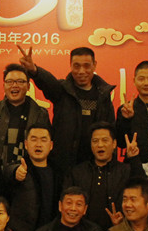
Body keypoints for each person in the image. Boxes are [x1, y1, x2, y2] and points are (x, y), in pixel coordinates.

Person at [17, 44, 116, 174]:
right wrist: (34, 70)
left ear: (94, 65)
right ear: (70, 66)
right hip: (63, 166)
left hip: (95, 165)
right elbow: (48, 82)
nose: (81, 71)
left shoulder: (104, 95)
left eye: (86, 66)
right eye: (76, 66)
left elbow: (111, 130)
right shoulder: (62, 90)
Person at [64, 122, 140, 230]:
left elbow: (143, 190)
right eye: (95, 141)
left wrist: (134, 158)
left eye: (105, 140)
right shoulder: (77, 172)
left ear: (114, 144)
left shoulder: (125, 171)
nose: (100, 145)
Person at [0, 64, 49, 166]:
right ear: (4, 86)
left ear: (28, 86)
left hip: (28, 171)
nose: (14, 85)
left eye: (20, 81)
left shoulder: (40, 114)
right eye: (9, 81)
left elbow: (46, 146)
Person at [7, 123, 60, 231]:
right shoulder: (20, 168)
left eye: (43, 140)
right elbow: (9, 172)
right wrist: (16, 172)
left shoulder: (58, 172)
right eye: (34, 139)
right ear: (26, 144)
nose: (38, 144)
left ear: (51, 145)